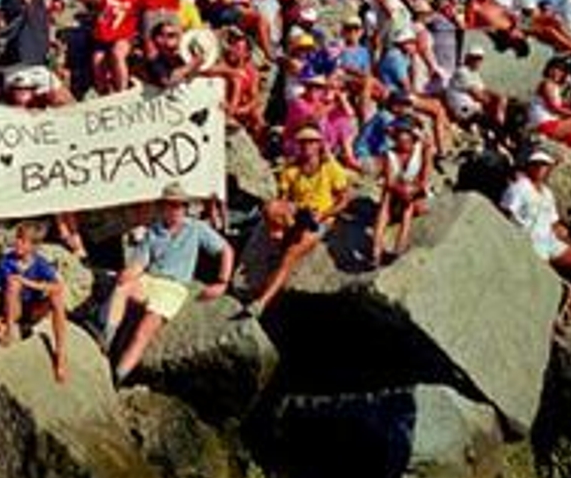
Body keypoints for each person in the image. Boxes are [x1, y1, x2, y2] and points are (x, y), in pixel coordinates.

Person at [100, 184, 233, 381]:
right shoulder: (154, 230)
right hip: (150, 279)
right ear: (162, 207)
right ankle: (106, 339)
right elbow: (140, 262)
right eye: (171, 205)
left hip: (173, 287)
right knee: (122, 287)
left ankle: (118, 376)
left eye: (180, 205)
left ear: (185, 207)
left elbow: (226, 250)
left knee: (143, 333)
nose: (176, 209)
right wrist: (129, 273)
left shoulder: (196, 228)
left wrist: (222, 282)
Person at [250, 125, 352, 317]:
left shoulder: (330, 167)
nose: (306, 146)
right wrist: (288, 216)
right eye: (303, 142)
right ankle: (281, 237)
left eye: (311, 142)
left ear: (319, 144)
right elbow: (282, 198)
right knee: (270, 207)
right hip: (298, 213)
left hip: (320, 217)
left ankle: (262, 302)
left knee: (289, 256)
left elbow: (344, 199)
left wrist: (323, 214)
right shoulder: (291, 169)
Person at [500, 147, 571, 319]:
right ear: (530, 166)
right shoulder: (519, 188)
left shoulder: (547, 193)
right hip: (529, 242)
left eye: (545, 165)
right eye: (538, 165)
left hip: (549, 241)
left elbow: (554, 225)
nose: (542, 169)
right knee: (544, 284)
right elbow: (505, 214)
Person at [0, 222, 71, 382]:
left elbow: (57, 286)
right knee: (13, 282)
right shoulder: (5, 262)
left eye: (23, 240)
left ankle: (60, 353)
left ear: (33, 246)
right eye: (17, 238)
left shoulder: (40, 263)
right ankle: (10, 333)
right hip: (12, 310)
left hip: (32, 310)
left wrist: (27, 282)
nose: (17, 243)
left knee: (57, 296)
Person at [371, 118, 432, 267]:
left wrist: (411, 190)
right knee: (387, 195)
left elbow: (425, 178)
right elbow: (390, 181)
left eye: (407, 138)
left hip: (416, 193)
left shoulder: (423, 149)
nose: (403, 142)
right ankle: (376, 250)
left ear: (412, 138)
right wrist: (403, 190)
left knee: (408, 201)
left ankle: (399, 247)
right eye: (400, 138)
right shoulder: (389, 155)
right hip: (397, 193)